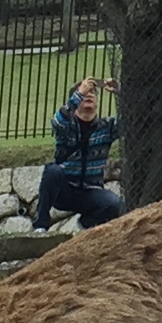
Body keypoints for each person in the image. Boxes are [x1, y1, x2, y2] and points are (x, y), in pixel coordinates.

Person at [33, 76, 122, 229]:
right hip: (64, 190)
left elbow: (132, 120)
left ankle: (86, 225)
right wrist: (79, 93)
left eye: (93, 92)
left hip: (90, 191)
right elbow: (58, 122)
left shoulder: (106, 127)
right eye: (85, 93)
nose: (89, 95)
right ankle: (40, 227)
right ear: (75, 99)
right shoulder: (67, 126)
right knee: (51, 171)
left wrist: (121, 93)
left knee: (115, 204)